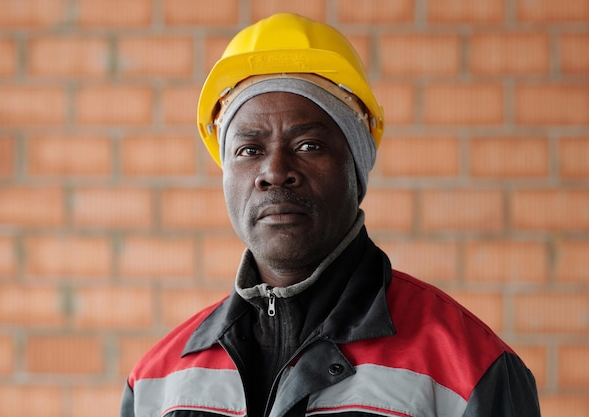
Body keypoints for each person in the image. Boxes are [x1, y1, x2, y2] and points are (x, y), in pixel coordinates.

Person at [120, 13, 541, 417]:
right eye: (249, 150)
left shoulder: (469, 369)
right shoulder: (158, 383)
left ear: (355, 169)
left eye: (308, 145)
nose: (275, 172)